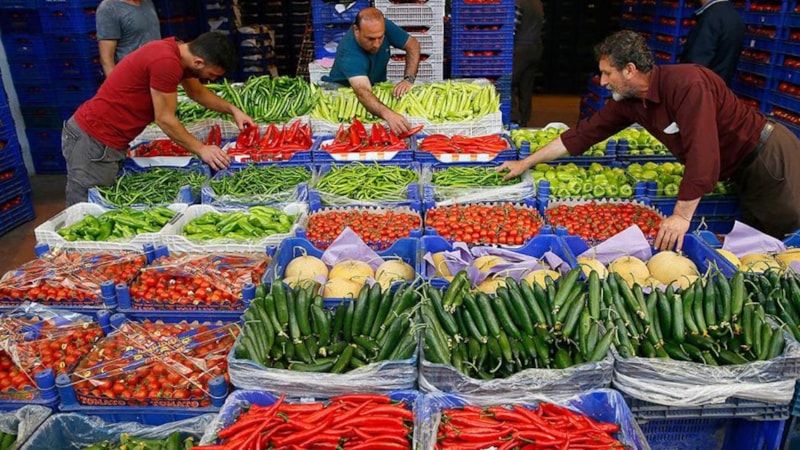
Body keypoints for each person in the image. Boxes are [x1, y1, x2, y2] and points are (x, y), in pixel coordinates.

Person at [499, 30, 800, 250]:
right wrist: (525, 163)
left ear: (630, 70)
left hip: (768, 160)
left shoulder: (688, 85)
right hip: (738, 169)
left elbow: (703, 154)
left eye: (607, 73)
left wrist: (680, 217)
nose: (602, 82)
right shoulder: (630, 102)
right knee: (758, 243)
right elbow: (582, 134)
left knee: (786, 240)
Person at [62, 32, 254, 206]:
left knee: (101, 204)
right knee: (86, 209)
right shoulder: (166, 62)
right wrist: (202, 149)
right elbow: (164, 119)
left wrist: (233, 110)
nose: (211, 80)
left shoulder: (178, 52)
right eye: (211, 74)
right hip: (94, 139)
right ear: (198, 62)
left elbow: (196, 92)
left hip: (105, 140)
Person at [323, 7, 421, 135]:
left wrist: (409, 79)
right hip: (344, 91)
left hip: (374, 85)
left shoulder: (380, 27)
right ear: (356, 30)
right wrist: (388, 114)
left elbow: (413, 44)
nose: (377, 44)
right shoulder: (349, 53)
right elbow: (363, 92)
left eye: (380, 37)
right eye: (370, 39)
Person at [681, 0, 744, 86]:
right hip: (720, 87)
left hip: (702, 88)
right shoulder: (734, 16)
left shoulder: (710, 18)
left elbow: (695, 66)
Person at [96, 0, 162, 77]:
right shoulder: (109, 8)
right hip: (132, 77)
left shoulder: (148, 3)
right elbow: (106, 59)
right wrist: (117, 83)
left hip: (157, 73)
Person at [512, 0, 544, 126]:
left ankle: (513, 119)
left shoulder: (518, 3)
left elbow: (512, 28)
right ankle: (524, 120)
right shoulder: (537, 2)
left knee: (508, 83)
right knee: (526, 86)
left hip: (520, 48)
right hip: (536, 46)